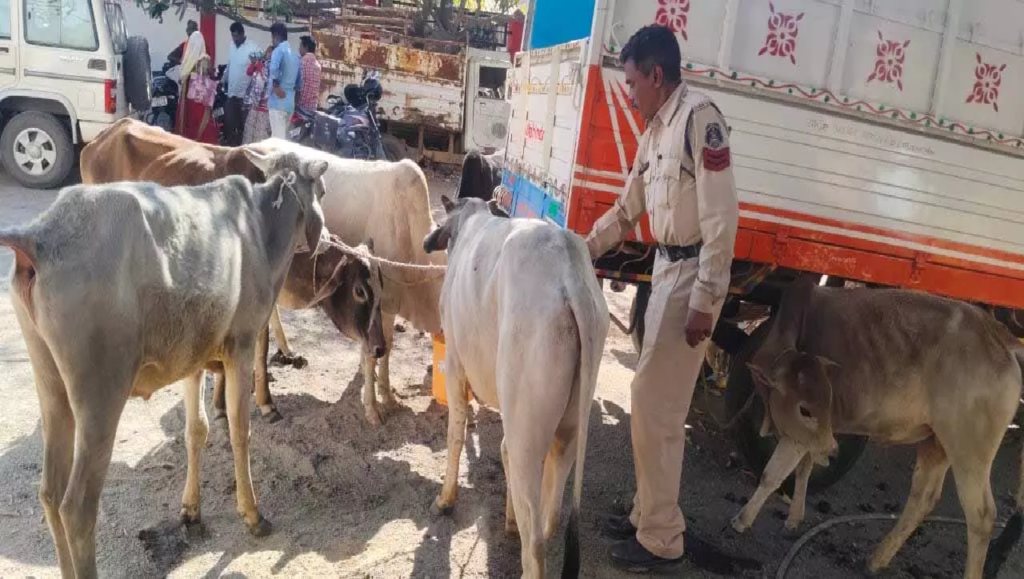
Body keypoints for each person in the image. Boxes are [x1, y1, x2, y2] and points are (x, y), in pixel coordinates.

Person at [584, 24, 739, 572]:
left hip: (692, 276)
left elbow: (722, 218)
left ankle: (662, 538)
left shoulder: (700, 121)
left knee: (657, 407)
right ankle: (646, 514)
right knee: (651, 403)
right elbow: (627, 209)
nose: (628, 94)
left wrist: (707, 299)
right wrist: (582, 247)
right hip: (665, 272)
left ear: (655, 75)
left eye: (631, 82)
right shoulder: (654, 132)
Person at [174, 31, 219, 145]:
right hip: (196, 102)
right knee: (197, 128)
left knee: (192, 127)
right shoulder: (202, 60)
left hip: (191, 101)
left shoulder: (193, 61)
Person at [222, 22, 259, 146]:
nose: (234, 39)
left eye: (236, 36)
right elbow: (230, 66)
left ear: (243, 34)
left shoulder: (253, 48)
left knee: (244, 127)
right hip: (231, 94)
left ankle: (243, 150)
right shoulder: (232, 46)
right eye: (233, 36)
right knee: (230, 125)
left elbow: (259, 69)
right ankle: (232, 150)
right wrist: (222, 80)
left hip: (244, 97)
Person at [267, 22, 301, 139]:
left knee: (277, 142)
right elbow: (299, 83)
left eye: (272, 37)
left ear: (276, 36)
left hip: (277, 103)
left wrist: (276, 86)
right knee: (281, 138)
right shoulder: (296, 55)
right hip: (289, 105)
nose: (272, 41)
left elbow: (273, 69)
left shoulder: (278, 51)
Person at [242, 47, 272, 145]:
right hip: (254, 104)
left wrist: (260, 68)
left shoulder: (271, 66)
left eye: (270, 52)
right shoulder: (261, 63)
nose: (268, 54)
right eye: (267, 52)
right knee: (249, 132)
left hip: (264, 106)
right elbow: (249, 72)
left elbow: (264, 81)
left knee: (259, 134)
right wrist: (255, 63)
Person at [297, 35, 322, 117]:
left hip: (300, 109)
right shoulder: (318, 65)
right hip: (312, 109)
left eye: (300, 46)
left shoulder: (301, 63)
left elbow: (297, 87)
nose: (298, 49)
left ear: (306, 47)